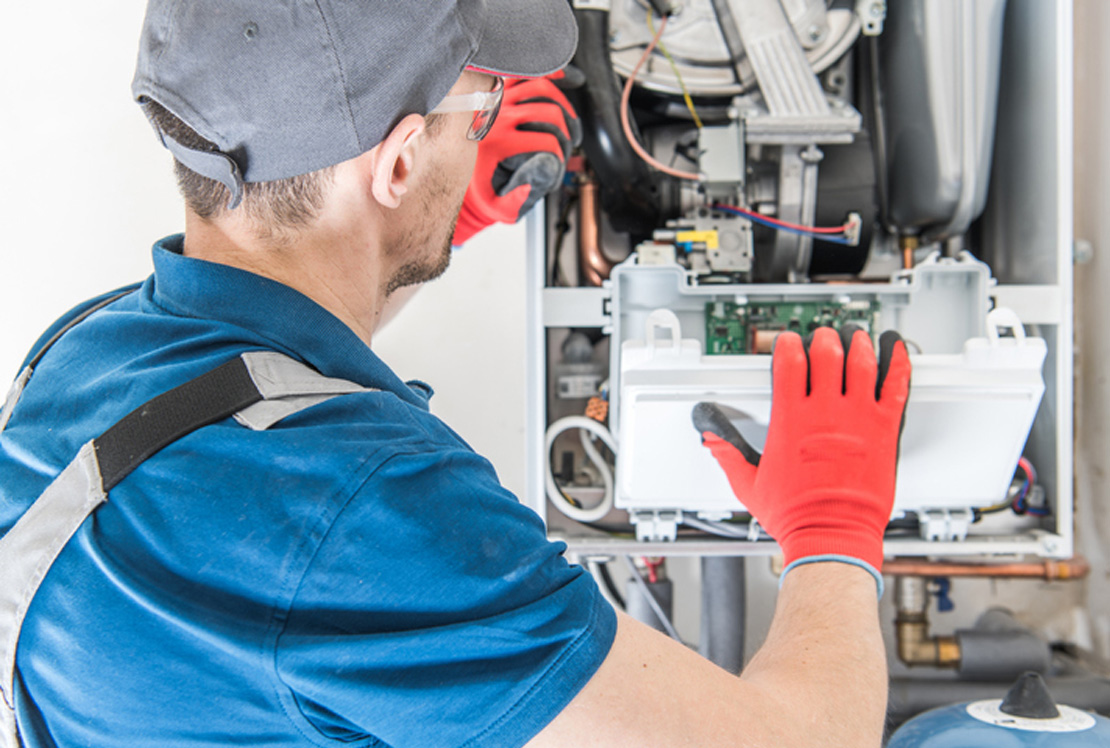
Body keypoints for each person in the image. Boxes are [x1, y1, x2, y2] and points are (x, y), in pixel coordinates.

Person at [0, 1, 911, 747]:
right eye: (479, 113)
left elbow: (271, 369)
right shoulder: (369, 512)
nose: (487, 134)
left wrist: (428, 227)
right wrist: (834, 529)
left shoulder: (86, 351)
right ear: (397, 162)